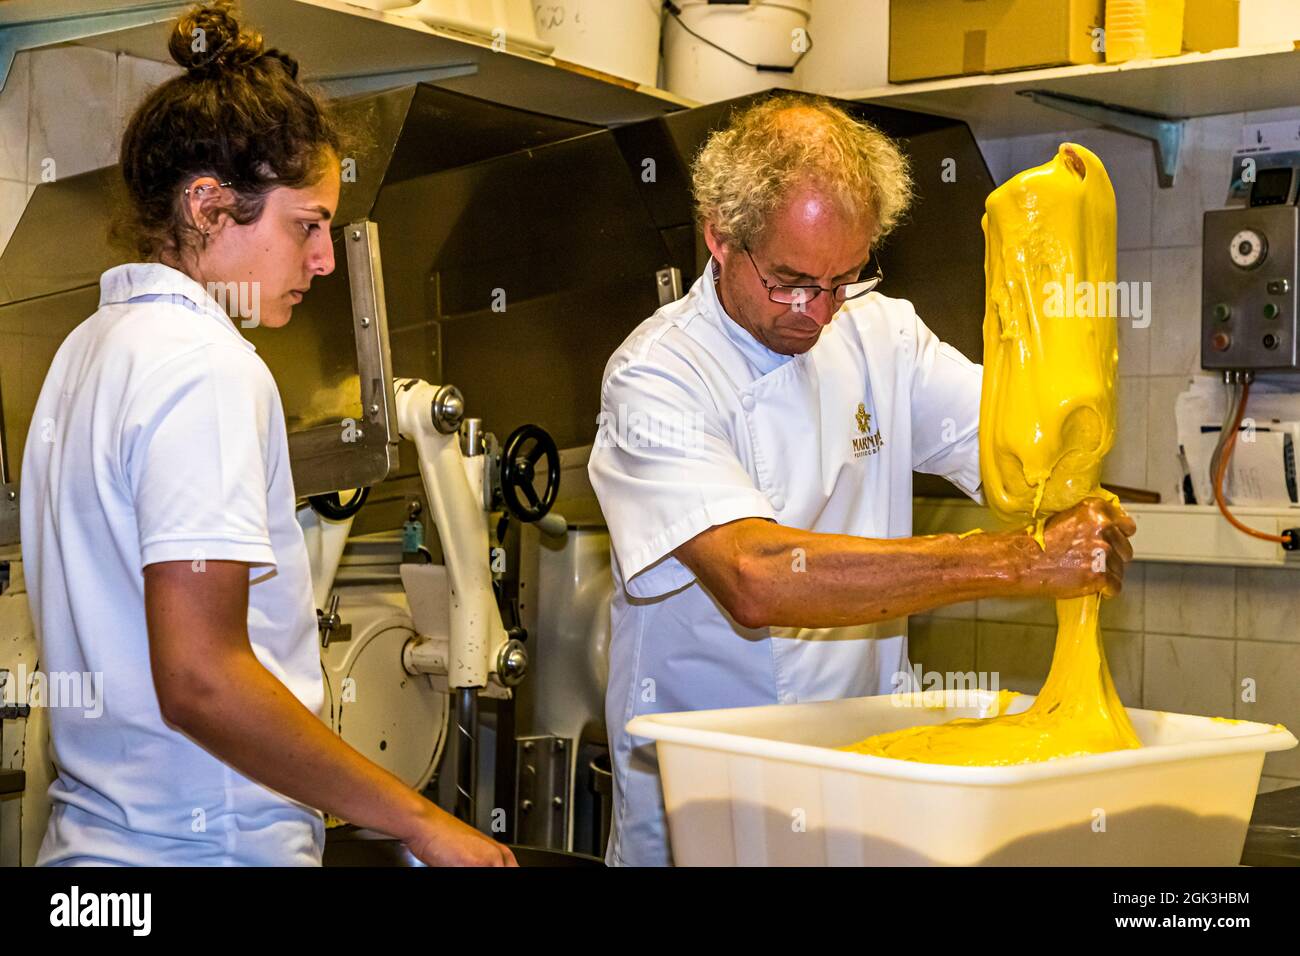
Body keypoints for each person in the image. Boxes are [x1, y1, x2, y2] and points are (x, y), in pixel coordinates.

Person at [19, 1, 514, 867]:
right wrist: (420, 820)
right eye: (306, 225)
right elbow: (202, 681)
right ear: (209, 207)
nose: (323, 261)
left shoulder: (84, 352)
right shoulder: (203, 368)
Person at [588, 94, 1136, 866]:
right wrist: (1016, 561)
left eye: (843, 277)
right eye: (789, 281)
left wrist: (1065, 267)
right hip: (713, 813)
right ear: (718, 234)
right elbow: (758, 578)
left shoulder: (884, 337)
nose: (816, 312)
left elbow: (1023, 456)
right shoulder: (659, 376)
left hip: (866, 788)